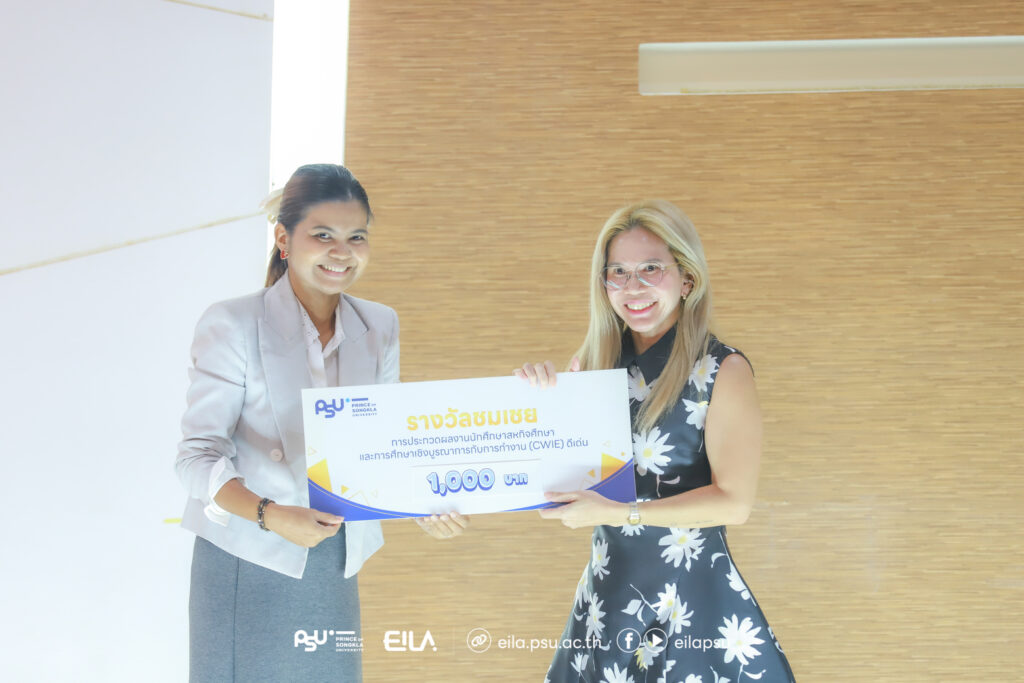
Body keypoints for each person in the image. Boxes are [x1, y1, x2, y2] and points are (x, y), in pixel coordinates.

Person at [175, 163, 468, 683]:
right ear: (283, 240)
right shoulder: (233, 323)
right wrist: (270, 514)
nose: (342, 251)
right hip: (249, 555)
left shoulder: (379, 324)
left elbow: (384, 442)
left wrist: (425, 502)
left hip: (335, 556)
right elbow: (197, 459)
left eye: (357, 236)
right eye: (323, 235)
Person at [518, 201, 795, 682]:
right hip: (607, 599)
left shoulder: (722, 370)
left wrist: (620, 513)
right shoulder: (593, 367)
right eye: (618, 272)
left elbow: (734, 504)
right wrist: (533, 399)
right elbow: (560, 487)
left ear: (687, 278)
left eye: (651, 268)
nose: (633, 287)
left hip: (691, 603)